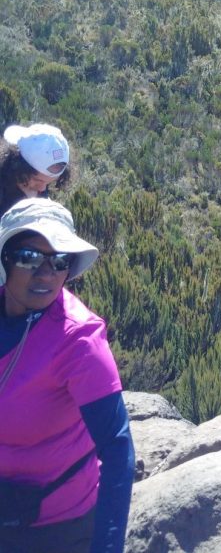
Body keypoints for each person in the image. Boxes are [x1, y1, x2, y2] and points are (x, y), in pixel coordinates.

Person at [0, 198, 135, 552]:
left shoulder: (79, 340)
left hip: (52, 527)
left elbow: (118, 449)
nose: (46, 273)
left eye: (59, 262)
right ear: (4, 260)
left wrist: (107, 547)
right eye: (29, 258)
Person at [0, 124, 71, 216]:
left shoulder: (39, 189)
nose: (42, 188)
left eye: (49, 182)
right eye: (37, 180)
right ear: (16, 166)